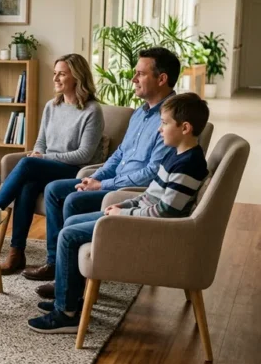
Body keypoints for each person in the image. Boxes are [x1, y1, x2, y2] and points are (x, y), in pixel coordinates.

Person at [26, 93, 210, 333]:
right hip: (137, 218)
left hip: (149, 229)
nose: (159, 130)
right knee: (70, 221)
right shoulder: (176, 156)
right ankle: (71, 300)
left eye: (164, 123)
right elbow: (150, 197)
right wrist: (123, 206)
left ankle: (66, 314)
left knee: (69, 235)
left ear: (185, 128)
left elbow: (165, 212)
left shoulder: (188, 165)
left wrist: (124, 216)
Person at [23, 47, 181, 298]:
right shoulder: (140, 112)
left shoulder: (171, 119)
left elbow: (152, 172)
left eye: (140, 74)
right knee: (54, 190)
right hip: (113, 181)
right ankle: (56, 265)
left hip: (131, 191)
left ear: (161, 79)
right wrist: (97, 177)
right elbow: (119, 155)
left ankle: (73, 279)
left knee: (72, 199)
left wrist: (105, 185)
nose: (133, 79)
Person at [0, 54, 104, 274]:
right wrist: (38, 153)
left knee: (27, 165)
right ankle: (18, 254)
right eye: (55, 73)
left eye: (62, 73)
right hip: (47, 167)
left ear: (77, 77)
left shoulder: (92, 111)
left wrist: (42, 158)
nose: (56, 78)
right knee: (27, 185)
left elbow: (84, 154)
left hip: (75, 170)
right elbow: (41, 141)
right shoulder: (51, 106)